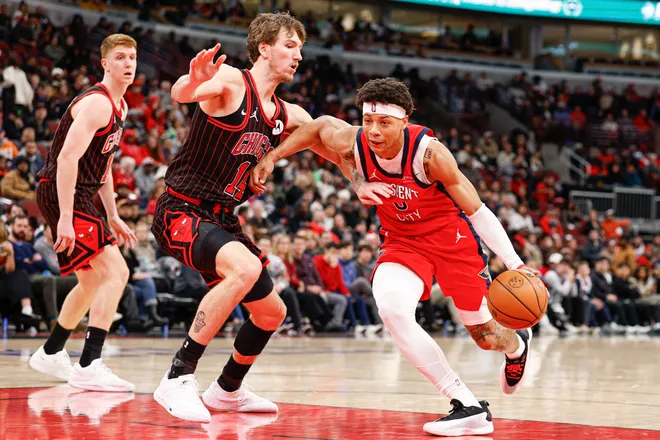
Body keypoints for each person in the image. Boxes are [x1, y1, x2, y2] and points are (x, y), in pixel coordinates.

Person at [252, 77, 538, 437]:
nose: (373, 130)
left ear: (405, 122)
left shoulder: (430, 154)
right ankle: (466, 405)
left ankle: (516, 344)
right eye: (368, 121)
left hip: (452, 242)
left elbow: (478, 211)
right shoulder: (356, 141)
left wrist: (514, 263)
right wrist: (346, 179)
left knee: (485, 336)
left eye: (384, 123)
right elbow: (320, 130)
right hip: (403, 242)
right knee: (391, 309)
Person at [150, 13, 356, 422]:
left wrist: (358, 179)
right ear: (264, 48)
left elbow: (326, 138)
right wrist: (193, 80)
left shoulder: (286, 113)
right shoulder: (229, 81)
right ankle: (177, 376)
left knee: (272, 312)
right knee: (243, 270)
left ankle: (227, 389)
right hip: (181, 208)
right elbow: (182, 93)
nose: (299, 55)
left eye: (301, 47)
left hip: (223, 219)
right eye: (290, 45)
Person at [28, 34, 138, 392]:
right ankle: (90, 363)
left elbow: (102, 167)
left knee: (91, 282)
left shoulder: (121, 108)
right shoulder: (97, 104)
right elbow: (66, 159)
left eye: (133, 57)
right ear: (104, 63)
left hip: (81, 194)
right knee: (117, 271)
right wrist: (63, 217)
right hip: (64, 191)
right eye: (120, 57)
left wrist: (113, 214)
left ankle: (51, 351)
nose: (128, 63)